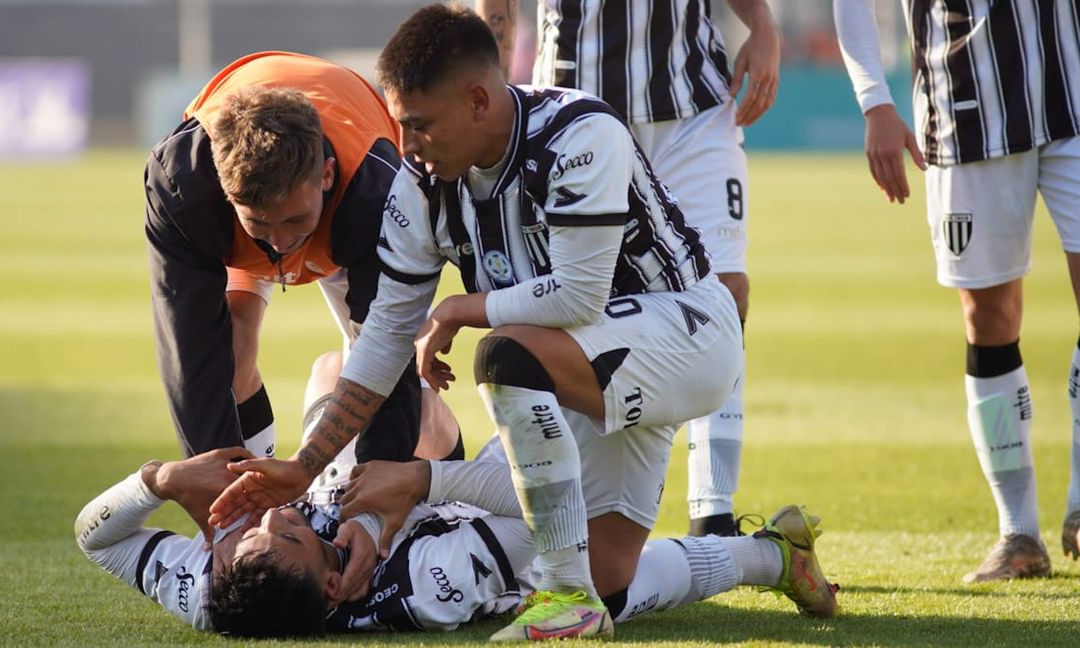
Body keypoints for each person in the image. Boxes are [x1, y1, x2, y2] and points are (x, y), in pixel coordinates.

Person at [209, 4, 751, 640]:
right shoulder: (422, 184)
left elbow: (578, 297)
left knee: (503, 355)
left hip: (686, 339)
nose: (407, 146)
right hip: (580, 370)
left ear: (477, 101)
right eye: (401, 125)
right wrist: (306, 465)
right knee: (613, 580)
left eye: (419, 125)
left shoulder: (579, 133)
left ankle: (567, 599)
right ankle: (771, 555)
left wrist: (457, 310)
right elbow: (384, 337)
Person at [476, 0, 780, 537]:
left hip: (691, 107)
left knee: (727, 288)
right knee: (578, 299)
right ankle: (573, 503)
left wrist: (761, 22)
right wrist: (492, 77)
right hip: (570, 118)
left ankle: (713, 511)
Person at [75, 442, 838, 638]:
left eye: (256, 533)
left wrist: (159, 480)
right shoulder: (430, 587)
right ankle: (776, 554)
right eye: (295, 536)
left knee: (335, 373)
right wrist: (422, 481)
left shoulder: (217, 597)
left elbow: (96, 540)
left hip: (453, 509)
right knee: (623, 578)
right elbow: (549, 507)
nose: (277, 518)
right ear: (334, 585)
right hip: (528, 560)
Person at [833, 0, 1080, 581]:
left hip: (1073, 98)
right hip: (965, 112)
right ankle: (1018, 533)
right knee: (988, 320)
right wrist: (875, 101)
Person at [145, 50, 459, 463]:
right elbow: (191, 355)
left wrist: (377, 483)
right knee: (232, 347)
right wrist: (218, 489)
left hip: (348, 224)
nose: (279, 243)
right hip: (259, 218)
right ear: (226, 192)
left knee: (413, 400)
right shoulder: (182, 186)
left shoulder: (377, 196)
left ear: (326, 174)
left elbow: (385, 354)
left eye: (294, 220)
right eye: (260, 222)